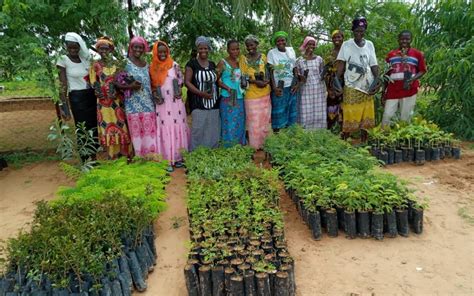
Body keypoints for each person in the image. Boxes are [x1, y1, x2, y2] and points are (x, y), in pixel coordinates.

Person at [336, 17, 380, 142]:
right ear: (352, 30)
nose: (359, 33)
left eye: (362, 31)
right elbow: (341, 65)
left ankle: (364, 140)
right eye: (356, 31)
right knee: (349, 111)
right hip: (351, 84)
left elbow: (373, 65)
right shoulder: (346, 45)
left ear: (365, 30)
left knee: (366, 112)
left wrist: (377, 80)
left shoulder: (370, 45)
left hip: (367, 85)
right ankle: (346, 140)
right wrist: (337, 81)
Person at [88, 36, 133, 159]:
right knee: (107, 126)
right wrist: (98, 91)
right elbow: (94, 82)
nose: (103, 51)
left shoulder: (117, 64)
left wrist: (117, 89)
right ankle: (112, 154)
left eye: (106, 48)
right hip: (103, 103)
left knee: (120, 124)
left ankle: (124, 154)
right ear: (97, 50)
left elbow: (123, 80)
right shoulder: (95, 65)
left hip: (117, 100)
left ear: (111, 50)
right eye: (101, 49)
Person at [56, 32, 98, 162]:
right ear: (66, 47)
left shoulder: (85, 60)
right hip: (77, 97)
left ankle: (94, 156)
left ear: (80, 46)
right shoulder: (63, 60)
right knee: (82, 128)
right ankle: (85, 158)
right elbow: (63, 84)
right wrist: (64, 105)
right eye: (70, 47)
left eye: (76, 47)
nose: (73, 50)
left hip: (90, 96)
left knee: (93, 126)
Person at [150, 40, 190, 171]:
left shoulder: (174, 65)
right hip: (162, 104)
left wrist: (178, 89)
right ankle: (167, 160)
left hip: (175, 104)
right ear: (155, 52)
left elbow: (181, 81)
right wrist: (156, 95)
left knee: (178, 127)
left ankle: (178, 158)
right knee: (165, 128)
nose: (162, 54)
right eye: (159, 51)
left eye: (164, 51)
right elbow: (152, 86)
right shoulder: (152, 68)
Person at [382, 30, 427, 125]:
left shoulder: (417, 54)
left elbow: (422, 70)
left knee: (405, 118)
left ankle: (403, 138)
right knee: (387, 116)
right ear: (398, 40)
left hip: (409, 89)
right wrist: (383, 92)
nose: (404, 41)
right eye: (402, 39)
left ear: (411, 40)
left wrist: (413, 79)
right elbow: (386, 74)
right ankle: (384, 137)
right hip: (393, 89)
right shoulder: (391, 55)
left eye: (407, 39)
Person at [123, 36, 157, 157]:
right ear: (131, 48)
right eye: (135, 47)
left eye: (141, 47)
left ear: (144, 49)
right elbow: (117, 83)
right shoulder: (125, 63)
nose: (138, 49)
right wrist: (131, 86)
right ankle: (140, 160)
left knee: (150, 133)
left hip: (148, 104)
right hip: (132, 105)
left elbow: (151, 83)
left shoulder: (147, 64)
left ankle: (152, 159)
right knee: (137, 135)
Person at [184, 36, 220, 150]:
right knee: (198, 129)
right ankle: (195, 154)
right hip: (198, 101)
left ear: (209, 49)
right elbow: (187, 82)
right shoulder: (192, 64)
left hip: (214, 101)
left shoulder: (212, 64)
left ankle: (211, 152)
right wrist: (201, 93)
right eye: (201, 48)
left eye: (206, 48)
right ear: (197, 49)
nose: (203, 51)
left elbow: (217, 81)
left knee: (213, 128)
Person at [239, 35, 271, 150]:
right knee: (253, 123)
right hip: (251, 95)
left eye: (251, 45)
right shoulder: (243, 59)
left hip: (265, 94)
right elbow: (242, 77)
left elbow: (268, 73)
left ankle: (264, 145)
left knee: (264, 121)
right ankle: (254, 146)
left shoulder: (263, 57)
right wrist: (254, 81)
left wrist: (265, 82)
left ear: (256, 44)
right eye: (247, 46)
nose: (249, 47)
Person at [267, 31, 298, 132]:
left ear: (286, 41)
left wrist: (296, 83)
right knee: (278, 112)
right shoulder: (272, 53)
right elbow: (270, 71)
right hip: (279, 88)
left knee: (291, 111)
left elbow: (295, 68)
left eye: (282, 40)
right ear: (275, 42)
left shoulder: (291, 51)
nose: (280, 42)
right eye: (278, 41)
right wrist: (274, 88)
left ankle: (289, 136)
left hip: (291, 86)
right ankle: (278, 137)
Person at [217, 40, 246, 147]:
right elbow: (216, 80)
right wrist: (227, 87)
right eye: (233, 49)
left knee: (239, 122)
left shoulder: (240, 63)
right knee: (228, 123)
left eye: (237, 49)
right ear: (228, 50)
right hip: (227, 97)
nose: (235, 51)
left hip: (239, 97)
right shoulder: (222, 63)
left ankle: (238, 145)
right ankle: (227, 147)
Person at [295, 36, 327, 129]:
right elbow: (296, 75)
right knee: (306, 111)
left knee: (318, 111)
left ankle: (319, 133)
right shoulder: (299, 60)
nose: (311, 46)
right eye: (309, 44)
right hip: (305, 89)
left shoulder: (319, 59)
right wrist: (300, 77)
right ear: (305, 45)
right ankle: (305, 134)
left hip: (319, 89)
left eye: (313, 44)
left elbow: (322, 74)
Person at [323, 30, 344, 129]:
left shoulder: (347, 52)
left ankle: (344, 132)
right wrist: (329, 89)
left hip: (346, 83)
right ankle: (331, 132)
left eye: (339, 37)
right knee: (332, 109)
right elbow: (327, 73)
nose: (337, 39)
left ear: (342, 38)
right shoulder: (330, 54)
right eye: (334, 37)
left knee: (344, 108)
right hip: (333, 85)